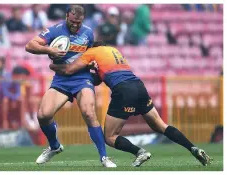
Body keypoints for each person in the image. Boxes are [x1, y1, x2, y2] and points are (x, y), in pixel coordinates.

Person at [49, 41, 212, 167]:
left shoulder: (91, 52)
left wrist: (54, 66)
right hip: (139, 86)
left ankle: (140, 152)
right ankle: (193, 148)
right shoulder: (114, 51)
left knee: (110, 137)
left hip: (123, 91)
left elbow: (69, 70)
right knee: (160, 126)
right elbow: (99, 78)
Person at [25, 5, 116, 167]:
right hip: (61, 80)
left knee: (89, 113)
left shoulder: (88, 32)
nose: (76, 25)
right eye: (73, 21)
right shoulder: (55, 30)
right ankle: (54, 146)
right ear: (67, 16)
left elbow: (90, 55)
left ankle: (104, 157)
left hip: (82, 79)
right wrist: (49, 49)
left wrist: (94, 65)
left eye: (79, 23)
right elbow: (30, 45)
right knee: (43, 115)